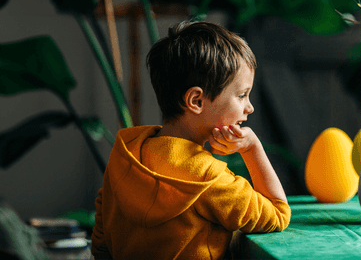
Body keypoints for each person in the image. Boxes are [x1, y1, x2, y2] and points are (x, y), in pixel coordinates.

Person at [91, 20, 291, 260]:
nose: (249, 108)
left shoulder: (125, 156)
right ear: (196, 101)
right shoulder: (210, 179)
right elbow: (278, 215)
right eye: (241, 95)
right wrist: (252, 149)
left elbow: (101, 244)